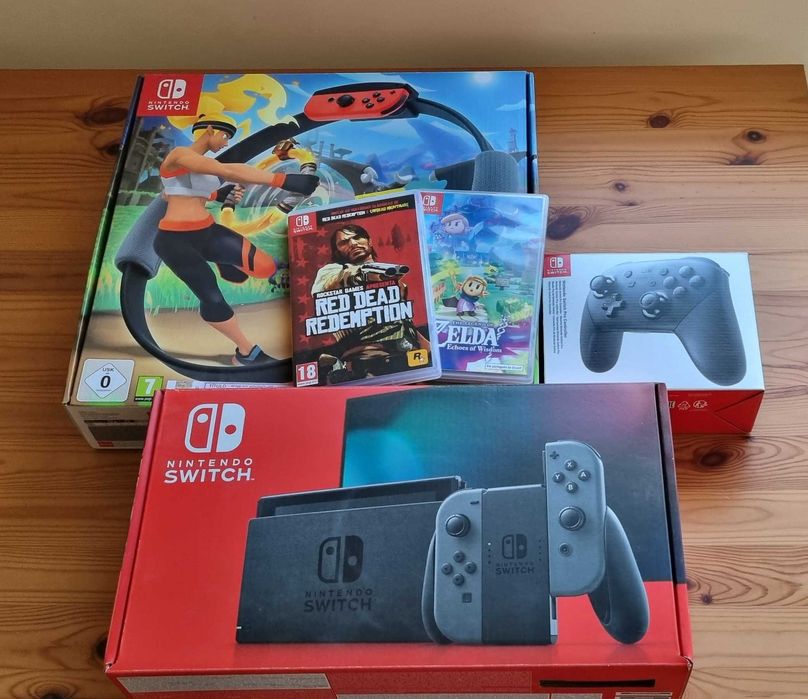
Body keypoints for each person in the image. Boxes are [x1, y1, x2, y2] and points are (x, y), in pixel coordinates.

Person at [155, 113, 319, 365]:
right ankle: (246, 352)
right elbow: (227, 170)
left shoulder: (198, 166)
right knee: (212, 297)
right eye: (225, 136)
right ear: (210, 129)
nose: (226, 142)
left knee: (265, 267)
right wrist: (284, 180)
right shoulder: (180, 155)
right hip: (175, 241)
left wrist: (220, 196)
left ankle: (223, 262)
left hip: (207, 232)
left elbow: (181, 191)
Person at [310, 224, 429, 381]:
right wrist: (363, 275)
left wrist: (428, 349)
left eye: (357, 237)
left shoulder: (392, 279)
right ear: (337, 251)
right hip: (367, 356)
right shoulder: (330, 271)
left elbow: (403, 323)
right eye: (344, 242)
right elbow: (328, 286)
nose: (353, 243)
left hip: (406, 352)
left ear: (369, 241)